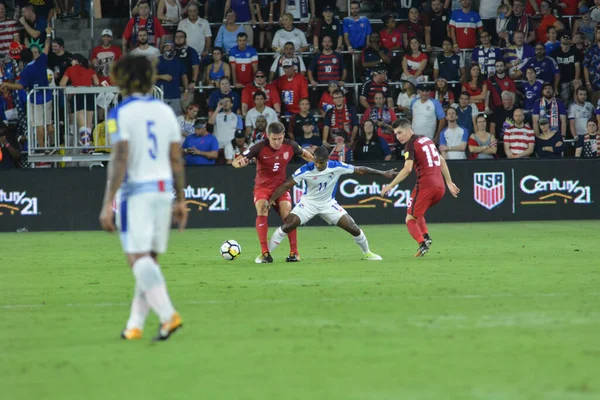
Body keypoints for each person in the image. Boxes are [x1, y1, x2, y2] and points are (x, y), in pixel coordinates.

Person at [98, 54, 187, 342]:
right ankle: (134, 325)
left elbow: (120, 156)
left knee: (136, 258)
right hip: (163, 191)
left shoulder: (119, 113)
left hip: (135, 192)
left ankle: (168, 315)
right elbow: (176, 160)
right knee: (150, 260)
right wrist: (182, 199)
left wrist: (107, 203)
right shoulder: (165, 112)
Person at [267, 147, 396, 260]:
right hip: (308, 204)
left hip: (328, 204)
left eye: (321, 163)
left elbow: (360, 170)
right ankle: (266, 254)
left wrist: (382, 173)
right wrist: (272, 199)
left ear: (327, 160)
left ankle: (367, 253)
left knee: (354, 228)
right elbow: (286, 185)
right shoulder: (306, 169)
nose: (317, 165)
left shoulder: (336, 166)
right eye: (316, 162)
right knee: (289, 224)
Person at [232, 121, 314, 263]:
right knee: (262, 208)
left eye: (279, 139)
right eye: (274, 139)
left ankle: (294, 252)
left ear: (283, 135)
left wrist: (320, 165)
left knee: (288, 214)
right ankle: (265, 252)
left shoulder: (291, 145)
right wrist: (240, 164)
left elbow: (307, 156)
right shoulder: (258, 147)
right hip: (262, 187)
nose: (277, 142)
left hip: (281, 187)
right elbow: (236, 161)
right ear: (268, 136)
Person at [381, 119, 460, 257]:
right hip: (439, 188)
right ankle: (426, 237)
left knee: (409, 218)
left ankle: (422, 243)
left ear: (408, 129)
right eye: (396, 134)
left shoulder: (410, 145)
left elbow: (407, 169)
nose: (398, 137)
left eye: (400, 132)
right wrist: (449, 182)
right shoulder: (426, 140)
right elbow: (441, 160)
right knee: (418, 212)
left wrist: (390, 186)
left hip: (426, 186)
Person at [59, 54, 100, 148]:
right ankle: (87, 144)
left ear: (76, 61)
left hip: (77, 94)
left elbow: (62, 83)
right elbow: (97, 82)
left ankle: (86, 144)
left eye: (72, 60)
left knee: (81, 120)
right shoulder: (90, 69)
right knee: (89, 122)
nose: (70, 62)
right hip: (90, 94)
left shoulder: (70, 69)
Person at [156, 40, 189, 116]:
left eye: (171, 47)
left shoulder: (178, 61)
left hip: (175, 95)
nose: (169, 49)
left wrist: (186, 90)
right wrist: (162, 76)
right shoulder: (157, 60)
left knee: (176, 118)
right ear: (163, 49)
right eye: (167, 47)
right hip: (161, 95)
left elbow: (184, 76)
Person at [552, 33, 581, 105]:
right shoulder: (555, 52)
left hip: (573, 78)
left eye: (567, 37)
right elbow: (554, 69)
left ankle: (577, 106)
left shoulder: (575, 51)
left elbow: (577, 66)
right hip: (562, 80)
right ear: (560, 39)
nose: (565, 38)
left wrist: (576, 79)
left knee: (578, 84)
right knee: (565, 99)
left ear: (570, 40)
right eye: (563, 37)